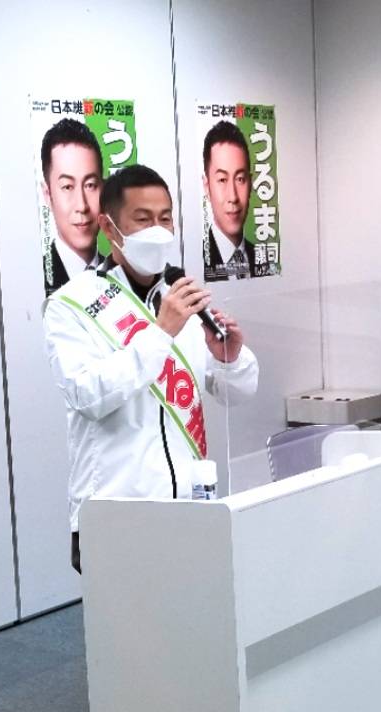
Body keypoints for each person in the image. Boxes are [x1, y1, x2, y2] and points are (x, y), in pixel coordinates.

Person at [43, 164, 259, 573]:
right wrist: (160, 333)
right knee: (127, 614)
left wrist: (229, 357)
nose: (157, 231)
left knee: (195, 607)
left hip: (191, 502)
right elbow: (87, 395)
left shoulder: (181, 295)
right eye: (142, 220)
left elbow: (238, 393)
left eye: (165, 218)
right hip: (117, 510)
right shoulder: (71, 305)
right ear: (108, 228)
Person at [40, 118, 104, 296]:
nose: (82, 206)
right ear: (48, 195)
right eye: (67, 187)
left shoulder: (122, 274)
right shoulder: (34, 277)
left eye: (90, 185)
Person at [202, 120, 257, 281]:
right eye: (222, 180)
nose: (233, 197)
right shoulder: (195, 261)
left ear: (250, 183)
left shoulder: (263, 258)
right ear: (207, 186)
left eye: (240, 179)